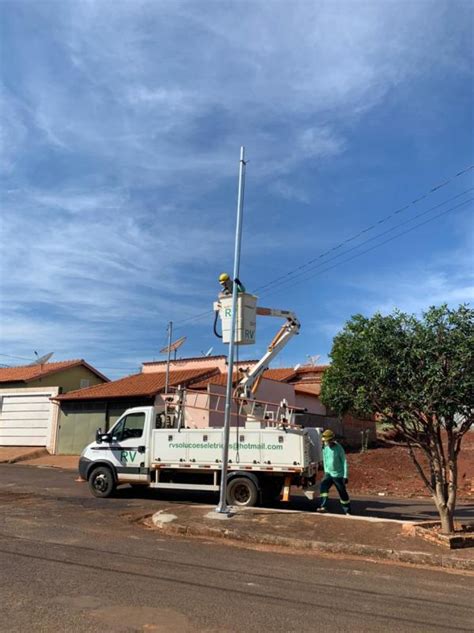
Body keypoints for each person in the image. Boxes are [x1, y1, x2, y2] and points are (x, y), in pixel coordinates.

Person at [317, 429, 351, 515]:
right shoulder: (325, 447)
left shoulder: (339, 448)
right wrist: (326, 472)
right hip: (328, 473)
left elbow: (344, 462)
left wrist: (345, 476)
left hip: (338, 475)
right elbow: (325, 459)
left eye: (327, 441)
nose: (326, 442)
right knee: (323, 487)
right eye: (325, 441)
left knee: (342, 492)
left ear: (331, 440)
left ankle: (347, 511)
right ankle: (323, 506)